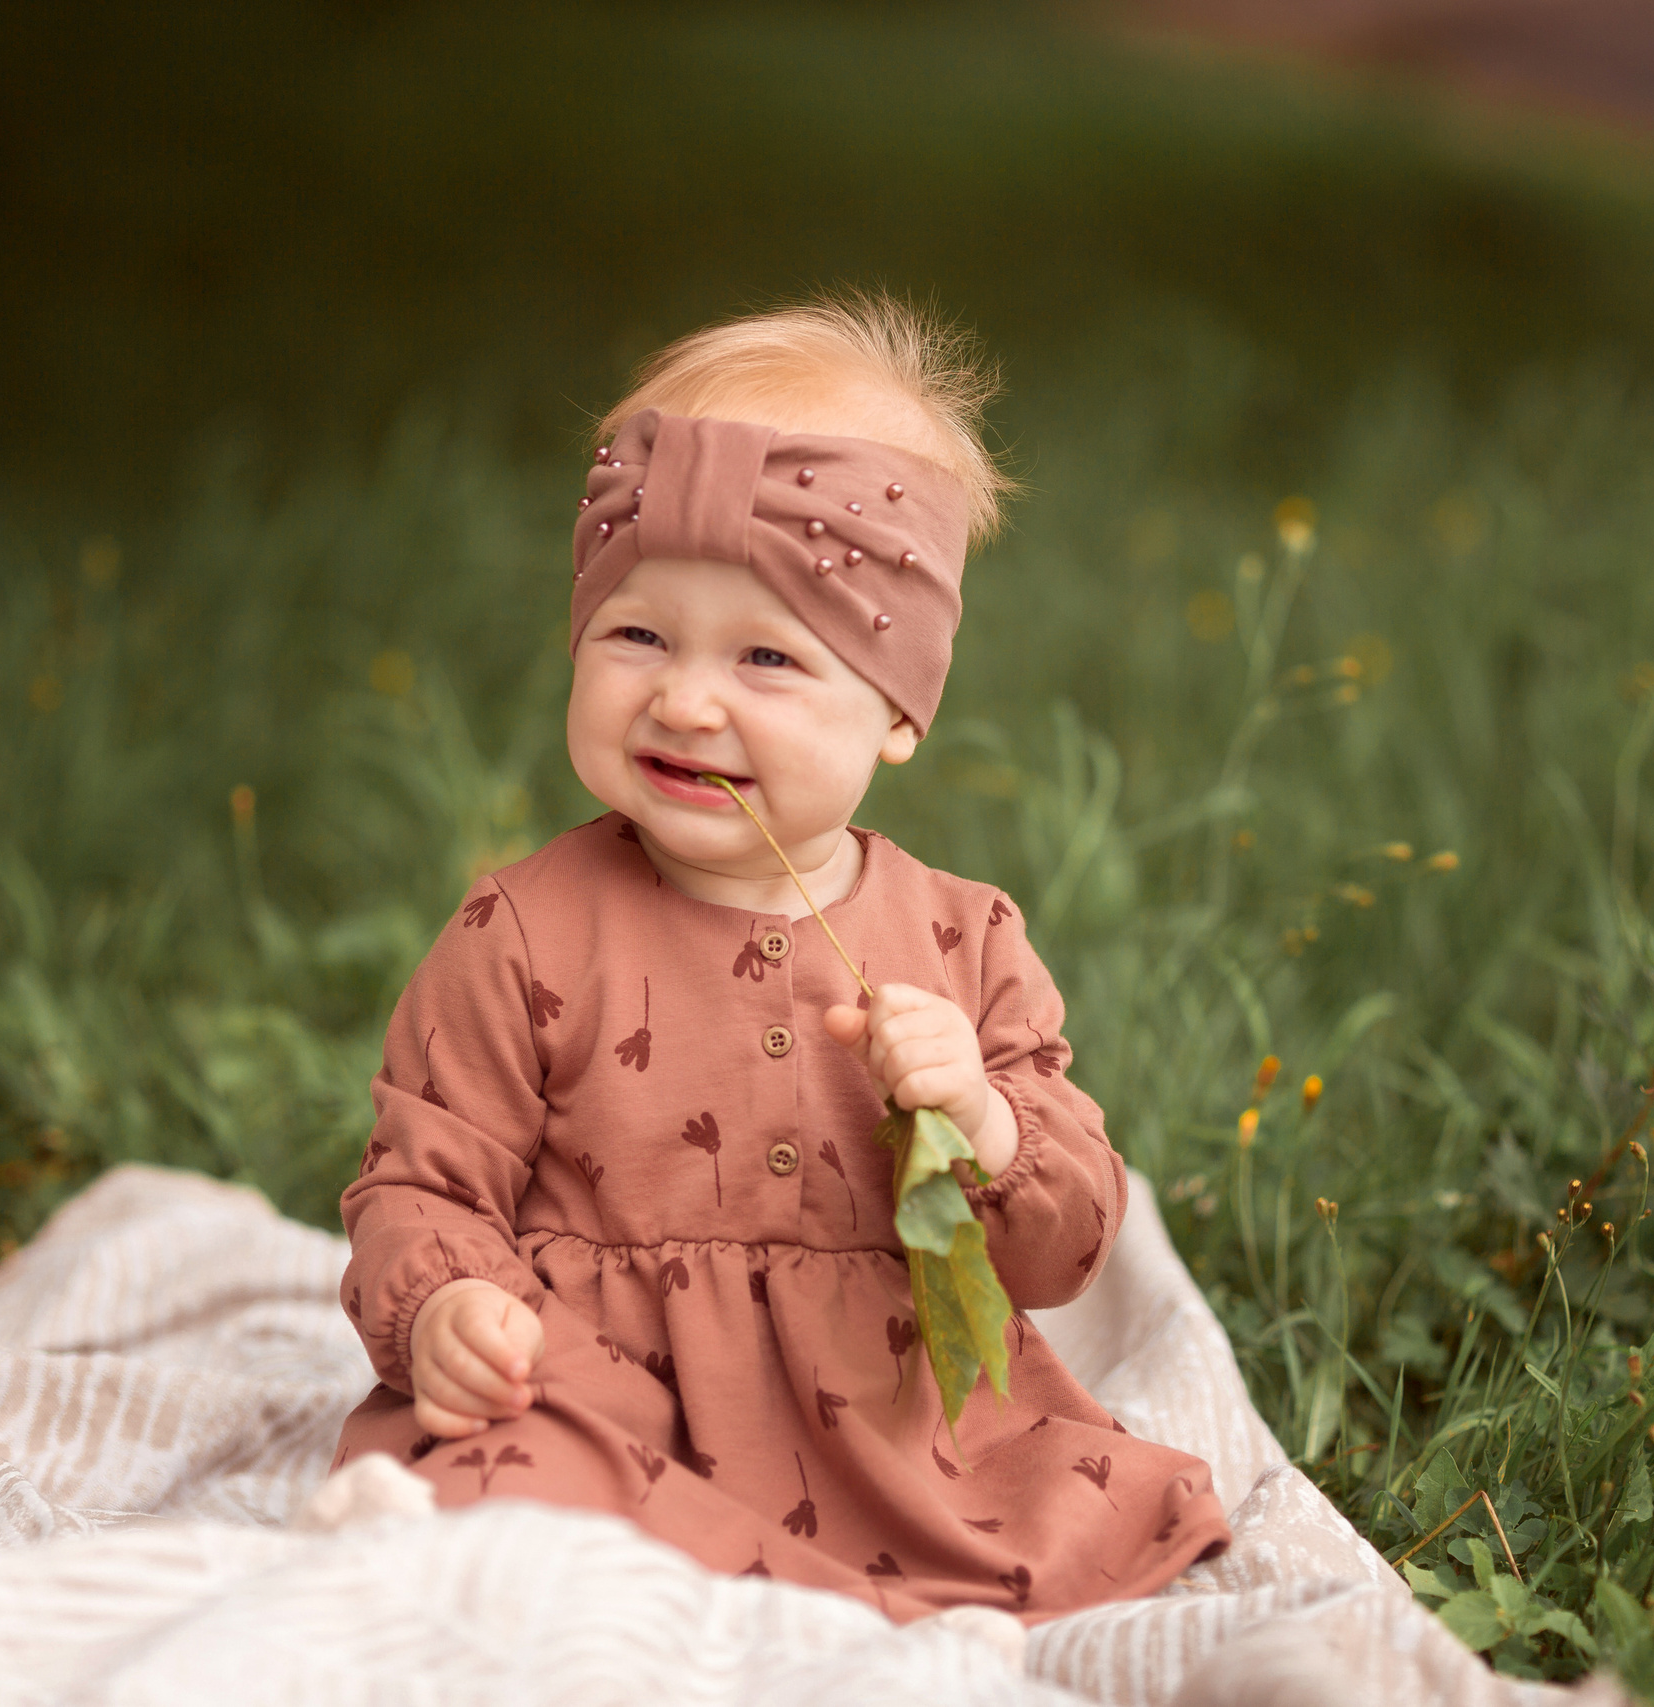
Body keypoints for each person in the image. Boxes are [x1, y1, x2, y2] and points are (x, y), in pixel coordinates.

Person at [331, 294, 1231, 1624]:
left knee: (1082, 1502)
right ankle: (473, 1554)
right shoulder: (523, 932)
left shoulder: (959, 940)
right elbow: (423, 1181)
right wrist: (445, 1306)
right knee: (505, 1469)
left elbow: (1058, 1254)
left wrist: (982, 1117)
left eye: (766, 656)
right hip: (605, 1404)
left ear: (897, 714)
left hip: (885, 1438)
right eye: (640, 634)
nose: (688, 700)